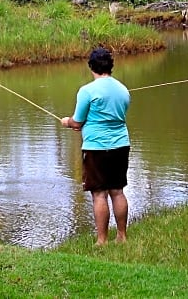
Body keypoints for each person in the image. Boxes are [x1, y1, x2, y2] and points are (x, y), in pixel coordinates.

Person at [61, 47, 131, 245]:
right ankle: (122, 236)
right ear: (111, 66)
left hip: (96, 148)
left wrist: (67, 122)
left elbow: (77, 121)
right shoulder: (123, 90)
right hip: (121, 145)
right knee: (117, 191)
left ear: (91, 66)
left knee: (99, 194)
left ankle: (101, 241)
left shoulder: (86, 91)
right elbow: (115, 116)